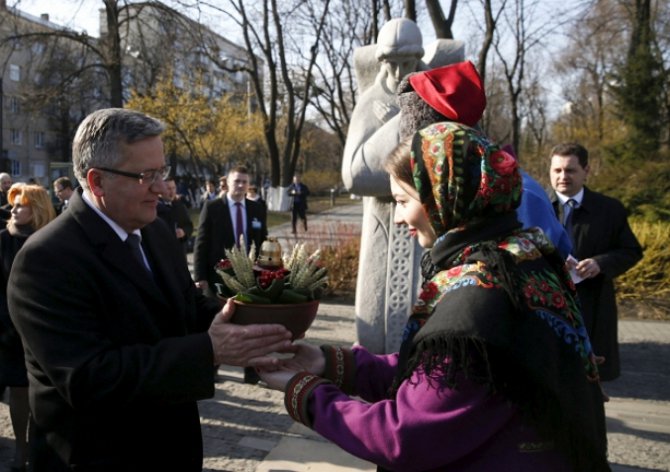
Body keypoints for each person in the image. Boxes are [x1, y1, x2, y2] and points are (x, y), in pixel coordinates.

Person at [260, 122, 610, 471]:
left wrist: (303, 390)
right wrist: (330, 364)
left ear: (444, 197)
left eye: (402, 201)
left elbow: (404, 435)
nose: (398, 218)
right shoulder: (523, 255)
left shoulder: (480, 296)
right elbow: (441, 377)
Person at [7, 108, 292, 471]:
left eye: (162, 171)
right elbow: (90, 379)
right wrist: (210, 349)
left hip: (172, 448)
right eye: (146, 175)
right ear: (97, 182)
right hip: (99, 457)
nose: (161, 187)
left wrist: (256, 326)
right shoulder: (46, 259)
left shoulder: (154, 230)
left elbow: (184, 306)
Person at [549, 142, 643, 381]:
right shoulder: (536, 209)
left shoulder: (609, 210)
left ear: (586, 170)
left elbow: (631, 251)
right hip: (548, 306)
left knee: (590, 380)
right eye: (557, 170)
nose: (563, 177)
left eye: (570, 170)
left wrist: (600, 263)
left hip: (593, 306)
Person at [194, 166, 268, 384]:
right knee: (216, 321)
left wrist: (266, 271)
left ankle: (251, 370)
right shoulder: (213, 207)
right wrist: (200, 275)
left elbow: (263, 240)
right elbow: (201, 243)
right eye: (237, 181)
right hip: (218, 276)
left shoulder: (256, 209)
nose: (241, 186)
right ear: (228, 182)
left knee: (249, 324)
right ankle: (212, 367)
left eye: (245, 182)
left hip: (248, 277)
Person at [0, 183, 56, 472]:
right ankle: (20, 450)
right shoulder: (2, 240)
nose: (13, 209)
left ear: (35, 208)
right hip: (6, 331)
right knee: (18, 391)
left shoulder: (49, 242)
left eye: (20, 205)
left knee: (39, 394)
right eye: (13, 205)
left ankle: (37, 448)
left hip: (40, 330)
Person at [157, 176, 194, 258]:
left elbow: (189, 225)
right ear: (160, 190)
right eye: (168, 188)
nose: (172, 191)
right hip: (162, 254)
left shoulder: (179, 205)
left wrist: (183, 232)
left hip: (180, 253)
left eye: (174, 188)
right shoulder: (154, 208)